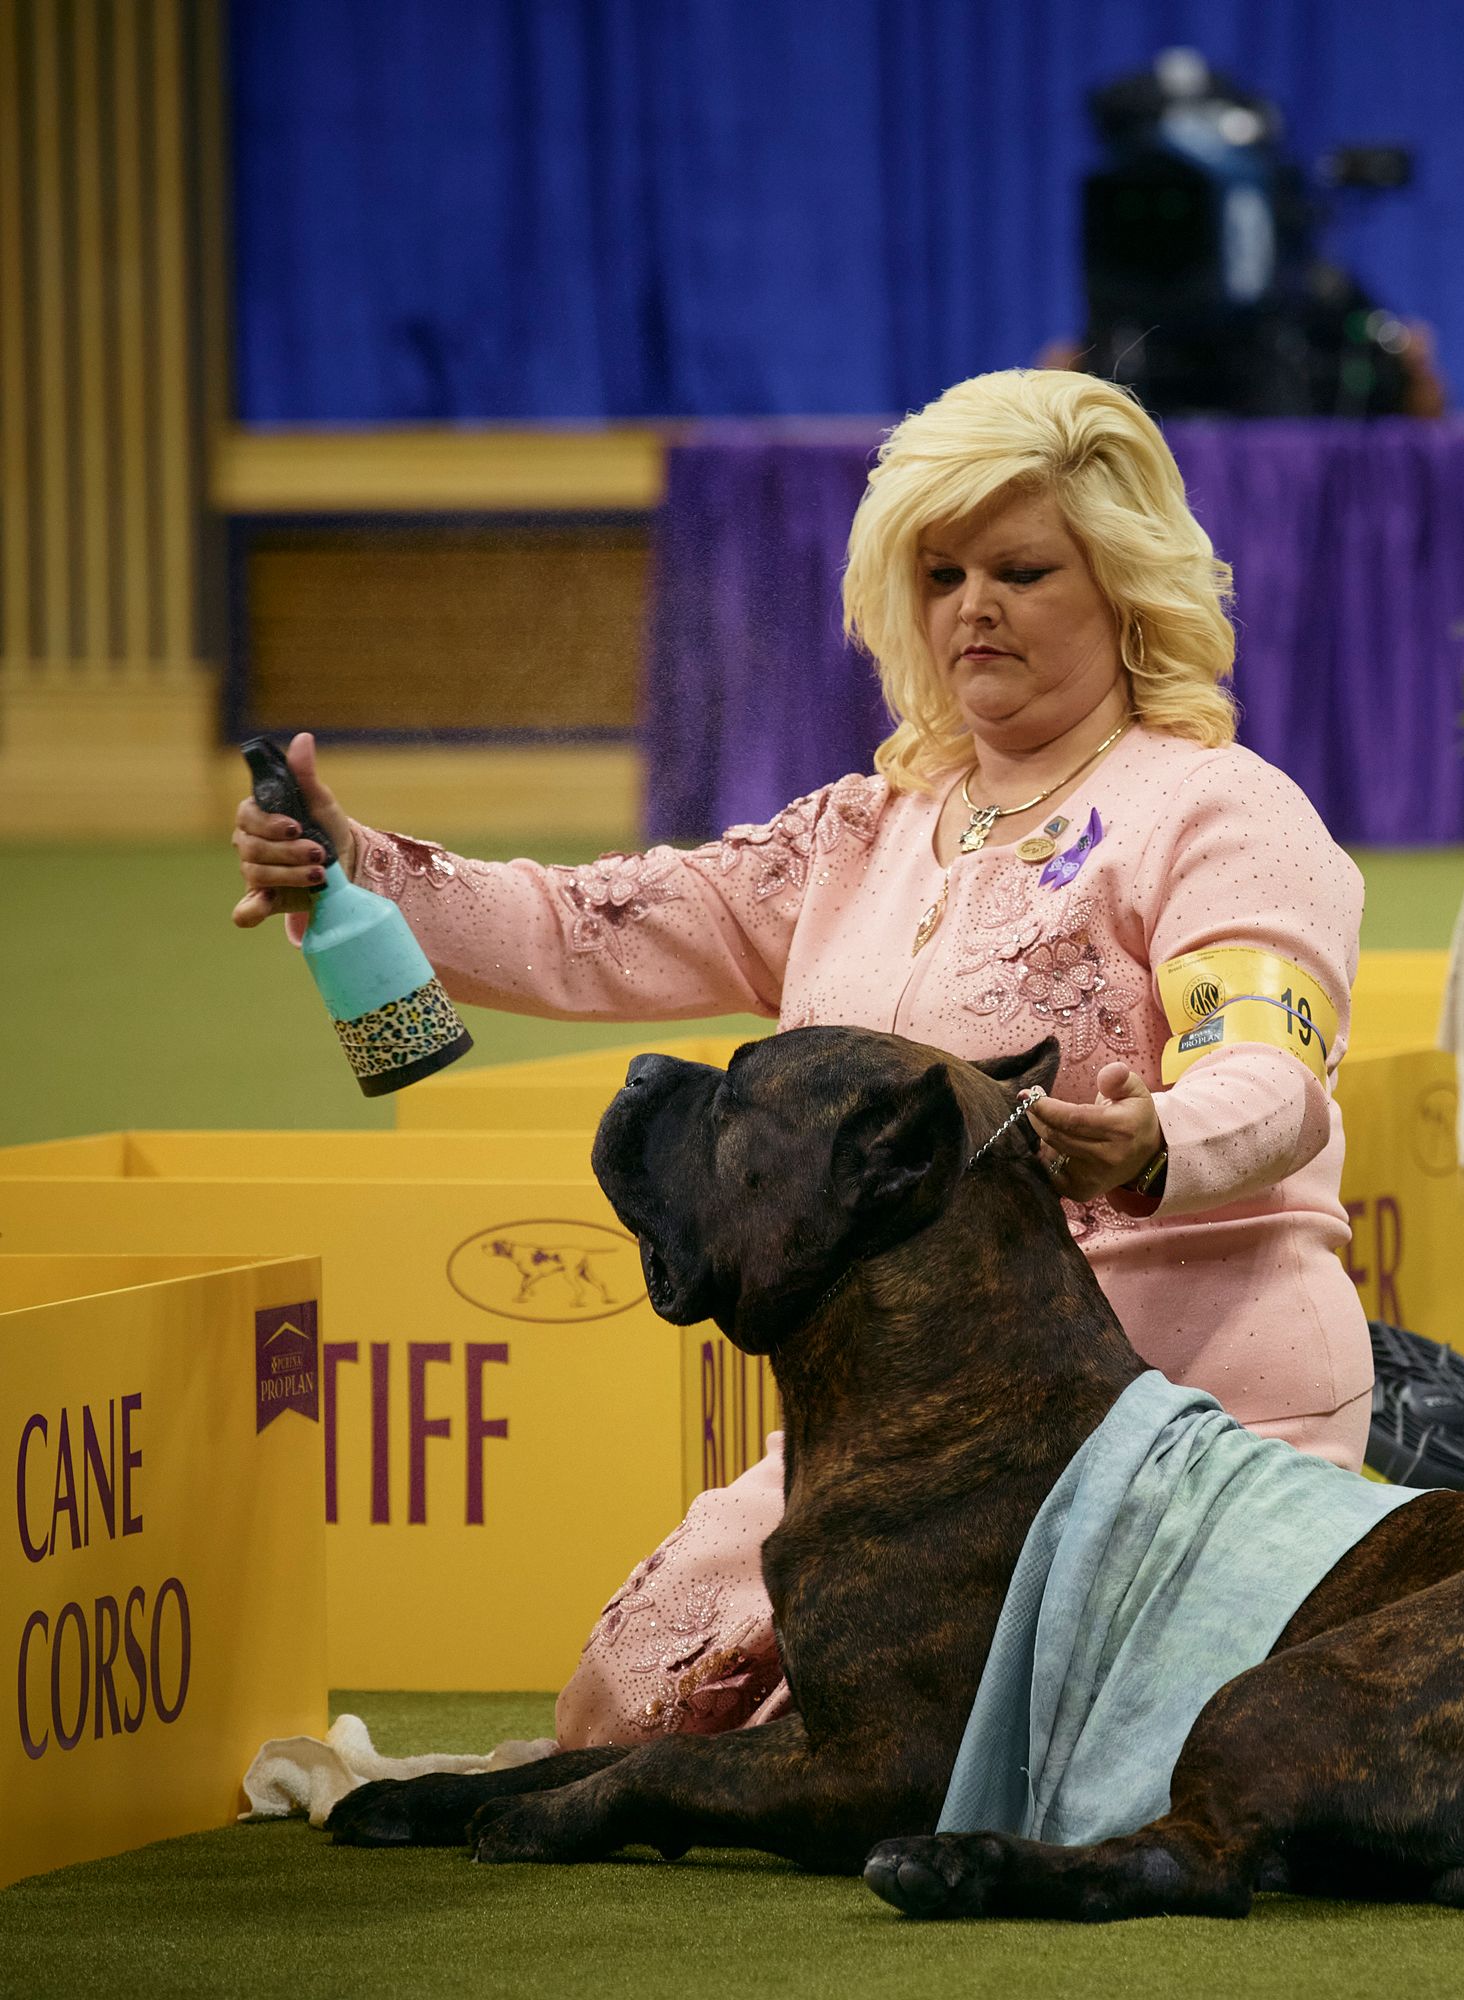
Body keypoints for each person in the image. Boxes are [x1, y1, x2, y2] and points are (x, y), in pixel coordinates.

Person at [229, 370, 1374, 1736]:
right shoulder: (862, 831)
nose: (973, 607)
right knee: (628, 1704)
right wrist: (355, 871)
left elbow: (1273, 1075)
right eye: (941, 572)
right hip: (899, 1424)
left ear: (1127, 587)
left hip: (1179, 1411)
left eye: (1021, 569)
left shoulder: (1223, 811)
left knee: (858, 1740)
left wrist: (1158, 1141)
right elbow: (590, 927)